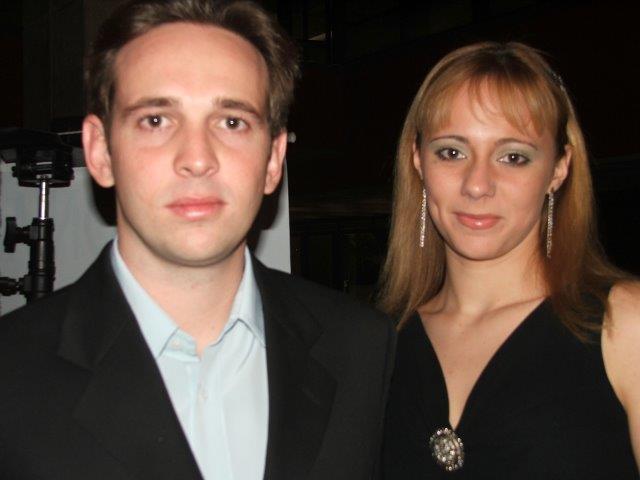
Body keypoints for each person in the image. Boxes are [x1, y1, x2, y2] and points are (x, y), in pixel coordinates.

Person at [0, 1, 395, 479]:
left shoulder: (363, 350)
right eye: (156, 120)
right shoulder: (11, 373)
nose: (197, 158)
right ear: (100, 152)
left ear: (273, 160)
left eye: (232, 122)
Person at [379, 41, 640, 478]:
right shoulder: (377, 346)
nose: (477, 184)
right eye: (452, 152)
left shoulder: (625, 326)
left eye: (513, 157)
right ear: (417, 160)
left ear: (558, 169)